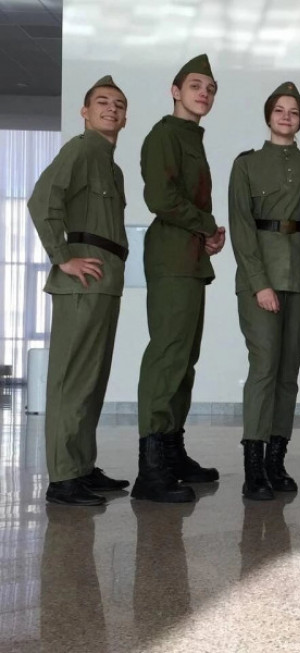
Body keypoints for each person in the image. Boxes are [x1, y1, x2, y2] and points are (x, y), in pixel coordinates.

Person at [28, 76, 131, 506]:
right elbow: (42, 200)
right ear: (85, 112)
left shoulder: (111, 166)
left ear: (125, 118)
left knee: (92, 379)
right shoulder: (80, 149)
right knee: (71, 380)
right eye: (102, 102)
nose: (111, 108)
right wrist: (62, 257)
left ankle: (82, 466)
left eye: (119, 104)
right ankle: (63, 478)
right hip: (82, 282)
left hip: (105, 280)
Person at [133, 54, 227, 503]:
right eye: (195, 85)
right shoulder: (164, 135)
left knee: (185, 359)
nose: (203, 93)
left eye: (210, 88)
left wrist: (206, 236)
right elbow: (161, 197)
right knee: (167, 356)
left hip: (188, 258)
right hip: (171, 257)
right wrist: (206, 226)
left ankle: (171, 452)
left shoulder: (191, 137)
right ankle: (150, 470)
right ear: (175, 91)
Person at [228, 82, 300, 500]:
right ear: (268, 115)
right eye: (280, 110)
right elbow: (241, 227)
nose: (286, 117)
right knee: (264, 366)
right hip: (261, 279)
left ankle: (275, 460)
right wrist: (260, 283)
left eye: (294, 111)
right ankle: (253, 466)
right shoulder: (247, 165)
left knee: (289, 373)